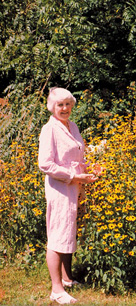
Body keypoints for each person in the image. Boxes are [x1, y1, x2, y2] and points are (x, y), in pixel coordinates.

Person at [38, 87, 97, 304]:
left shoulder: (73, 126)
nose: (64, 108)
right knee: (57, 235)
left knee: (69, 232)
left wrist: (91, 168)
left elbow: (78, 155)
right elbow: (45, 164)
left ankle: (67, 279)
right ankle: (56, 289)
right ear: (52, 107)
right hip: (60, 188)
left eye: (67, 104)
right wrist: (74, 176)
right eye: (59, 105)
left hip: (76, 186)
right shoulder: (49, 129)